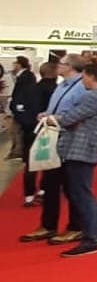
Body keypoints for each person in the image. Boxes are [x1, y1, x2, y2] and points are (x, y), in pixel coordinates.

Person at [43, 63, 97, 257]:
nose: (82, 81)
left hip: (81, 149)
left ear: (91, 76)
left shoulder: (93, 97)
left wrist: (50, 118)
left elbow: (69, 118)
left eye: (84, 77)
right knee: (83, 190)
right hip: (93, 146)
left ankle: (90, 239)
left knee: (80, 193)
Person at [19, 56, 87, 245]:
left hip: (69, 141)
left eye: (62, 63)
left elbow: (81, 115)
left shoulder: (82, 87)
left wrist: (57, 118)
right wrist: (47, 115)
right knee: (50, 184)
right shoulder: (62, 85)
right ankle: (48, 225)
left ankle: (76, 227)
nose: (58, 66)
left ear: (71, 67)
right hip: (53, 138)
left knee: (71, 186)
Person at [8, 56, 39, 205]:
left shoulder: (27, 77)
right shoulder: (22, 76)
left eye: (15, 62)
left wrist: (18, 110)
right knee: (16, 134)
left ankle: (19, 151)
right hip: (22, 114)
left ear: (19, 64)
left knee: (19, 134)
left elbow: (22, 95)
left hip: (25, 117)